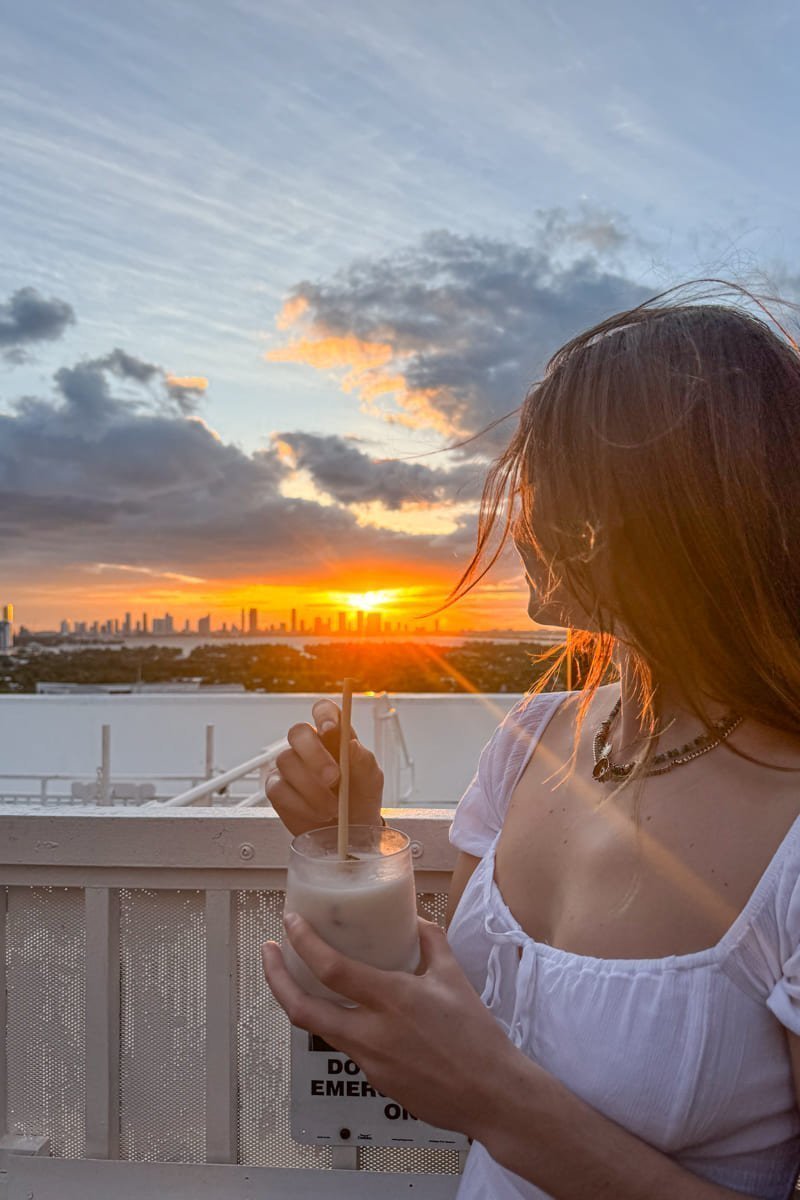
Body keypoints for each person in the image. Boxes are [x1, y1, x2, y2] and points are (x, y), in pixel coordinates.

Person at [261, 284, 800, 1199]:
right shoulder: (538, 737)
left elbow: (483, 1080)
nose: (524, 522)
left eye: (555, 487)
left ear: (667, 518)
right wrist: (354, 835)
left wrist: (497, 1102)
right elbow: (459, 1014)